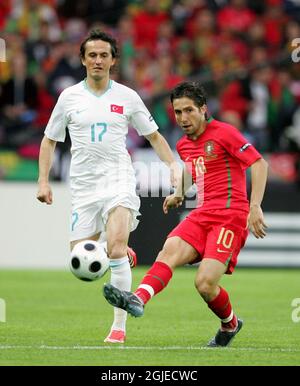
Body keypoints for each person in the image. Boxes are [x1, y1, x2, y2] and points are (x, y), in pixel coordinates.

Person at [36, 30, 180, 344]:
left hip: (119, 179)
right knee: (80, 258)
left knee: (113, 249)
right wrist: (43, 180)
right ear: (83, 60)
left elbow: (153, 136)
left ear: (113, 60)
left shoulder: (127, 97)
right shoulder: (69, 98)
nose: (98, 60)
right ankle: (115, 249)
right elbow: (49, 140)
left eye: (104, 55)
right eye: (92, 55)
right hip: (84, 187)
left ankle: (118, 328)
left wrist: (172, 165)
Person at [103, 81, 268, 347]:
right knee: (168, 251)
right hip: (202, 213)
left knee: (204, 284)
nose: (183, 118)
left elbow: (259, 164)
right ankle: (138, 299)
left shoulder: (225, 133)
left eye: (189, 110)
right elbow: (193, 170)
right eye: (178, 112)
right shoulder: (183, 144)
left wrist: (255, 206)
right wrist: (179, 193)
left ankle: (230, 324)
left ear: (203, 109)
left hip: (230, 216)